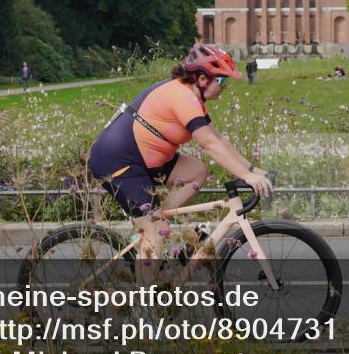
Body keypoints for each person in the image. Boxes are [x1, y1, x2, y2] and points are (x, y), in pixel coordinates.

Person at [87, 43, 273, 263]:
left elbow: (218, 139)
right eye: (222, 81)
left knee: (197, 172)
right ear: (202, 79)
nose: (224, 87)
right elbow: (208, 145)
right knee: (156, 230)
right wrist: (246, 176)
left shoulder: (194, 98)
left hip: (145, 159)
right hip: (118, 161)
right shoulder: (183, 97)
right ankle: (149, 260)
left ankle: (154, 224)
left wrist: (251, 169)